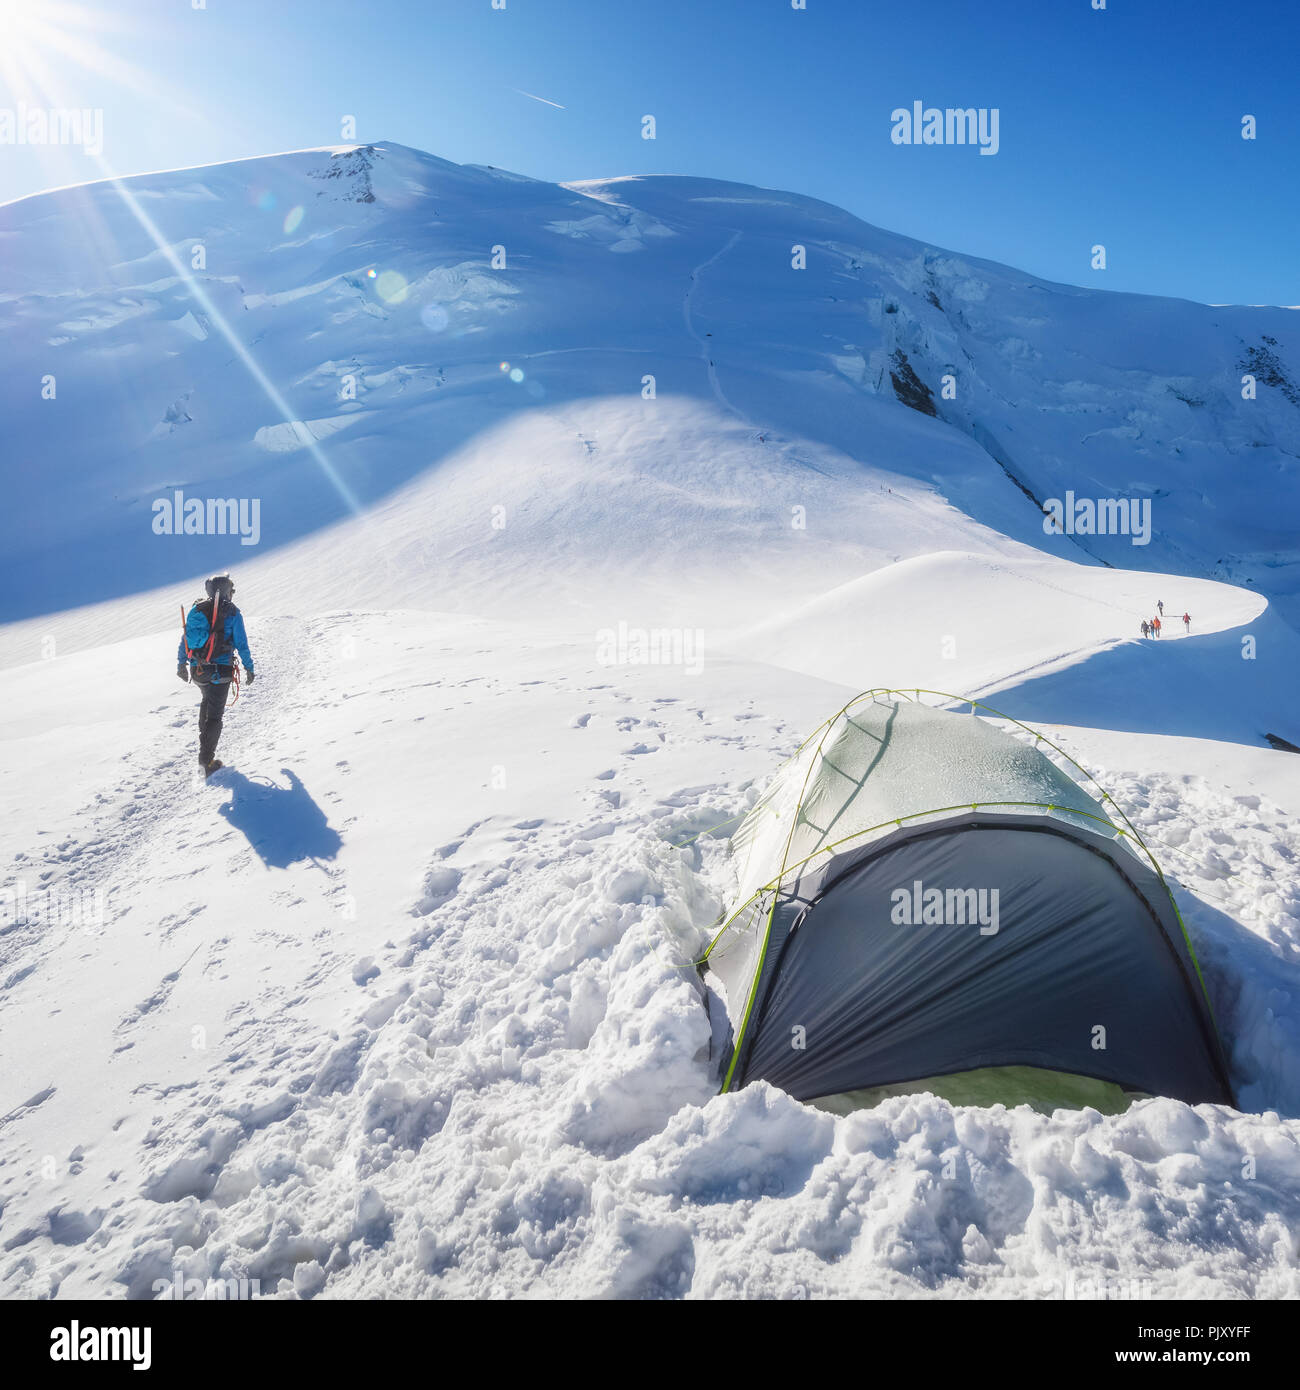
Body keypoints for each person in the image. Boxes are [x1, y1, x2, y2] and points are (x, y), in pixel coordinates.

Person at [177, 573, 255, 775]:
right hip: (220, 671)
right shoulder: (233, 613)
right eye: (232, 590)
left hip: (198, 670)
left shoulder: (197, 609)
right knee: (215, 717)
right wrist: (249, 667)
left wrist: (181, 664)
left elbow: (185, 639)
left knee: (207, 700)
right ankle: (206, 762)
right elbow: (242, 644)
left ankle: (205, 743)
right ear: (227, 591)